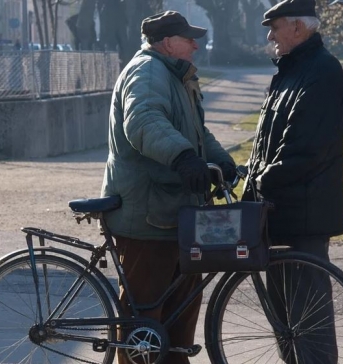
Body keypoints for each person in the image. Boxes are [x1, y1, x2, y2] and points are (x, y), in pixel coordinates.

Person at [100, 10, 236, 364]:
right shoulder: (147, 73)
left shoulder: (176, 75)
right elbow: (143, 122)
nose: (196, 44)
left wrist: (223, 163)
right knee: (143, 319)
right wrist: (183, 158)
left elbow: (198, 132)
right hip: (148, 216)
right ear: (167, 43)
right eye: (188, 38)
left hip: (176, 213)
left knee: (179, 312)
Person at [241, 0, 343, 363]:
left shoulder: (322, 71)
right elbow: (266, 143)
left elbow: (304, 148)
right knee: (286, 322)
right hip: (278, 212)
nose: (270, 36)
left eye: (275, 27)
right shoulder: (289, 70)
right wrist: (249, 176)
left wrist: (261, 181)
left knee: (308, 322)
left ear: (298, 28)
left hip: (304, 214)